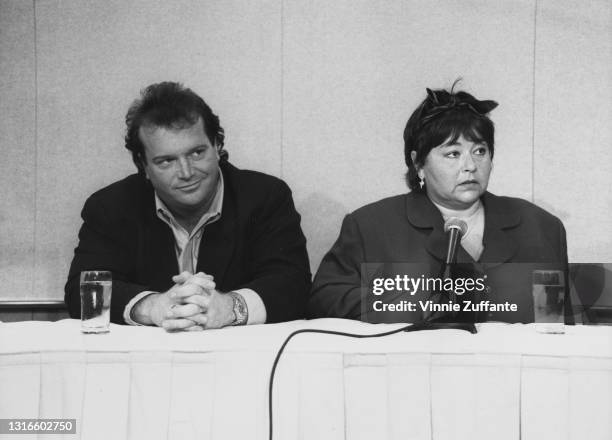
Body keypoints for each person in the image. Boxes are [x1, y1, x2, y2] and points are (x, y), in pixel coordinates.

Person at [308, 83, 570, 324]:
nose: (470, 166)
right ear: (418, 163)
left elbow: (566, 323)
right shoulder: (370, 227)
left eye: (480, 151)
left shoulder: (540, 226)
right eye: (452, 154)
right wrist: (413, 304)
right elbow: (324, 301)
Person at [65, 82, 311, 330]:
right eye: (166, 161)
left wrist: (229, 308)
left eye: (196, 153)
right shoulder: (111, 206)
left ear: (217, 146)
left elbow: (293, 285)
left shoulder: (265, 197)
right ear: (144, 166)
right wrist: (153, 307)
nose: (186, 172)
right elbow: (83, 291)